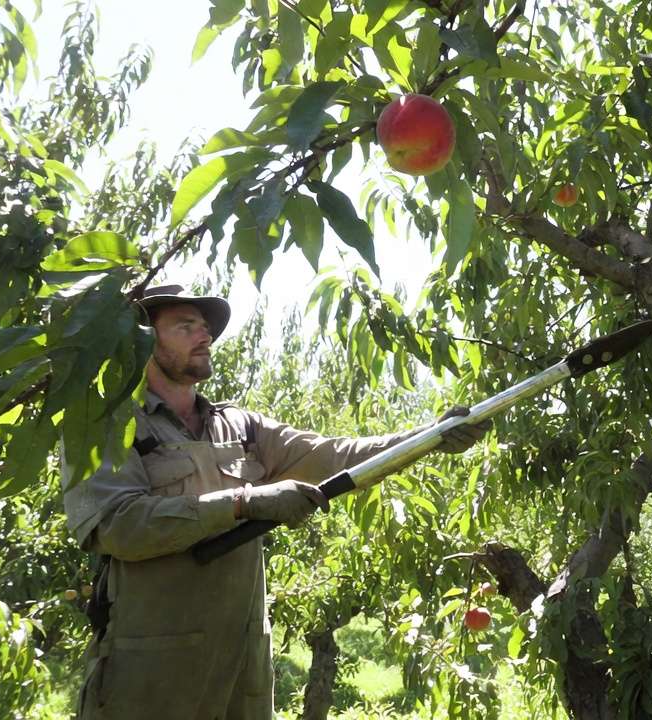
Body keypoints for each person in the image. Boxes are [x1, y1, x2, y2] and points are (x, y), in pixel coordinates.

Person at [62, 285, 490, 720]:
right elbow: (119, 526)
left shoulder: (239, 426)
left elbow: (334, 456)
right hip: (154, 671)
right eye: (185, 326)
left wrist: (426, 439)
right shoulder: (106, 426)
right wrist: (244, 502)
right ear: (140, 338)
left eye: (205, 328)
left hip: (241, 666)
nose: (204, 337)